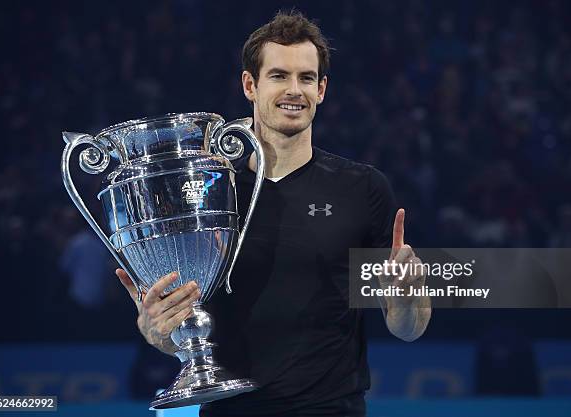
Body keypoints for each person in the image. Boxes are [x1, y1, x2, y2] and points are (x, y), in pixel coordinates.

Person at [116, 11, 431, 417]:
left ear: (322, 89)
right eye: (279, 75)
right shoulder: (209, 193)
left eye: (306, 78)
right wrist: (154, 328)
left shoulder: (362, 188)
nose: (293, 90)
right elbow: (177, 327)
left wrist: (406, 292)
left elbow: (408, 329)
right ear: (251, 84)